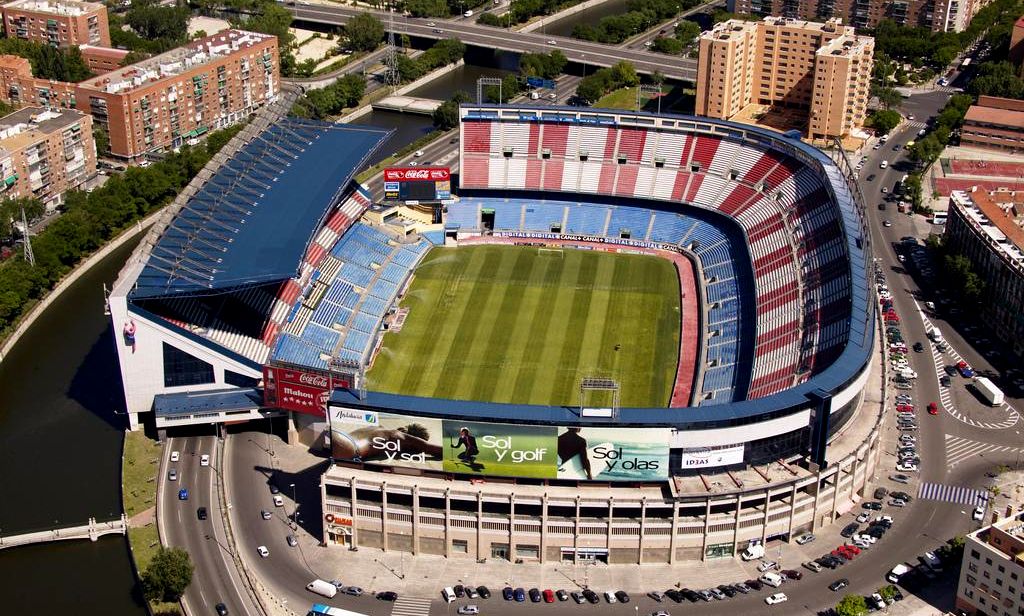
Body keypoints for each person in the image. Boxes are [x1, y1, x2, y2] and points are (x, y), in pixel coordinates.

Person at [332, 426, 442, 462]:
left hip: (341, 436)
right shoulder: (401, 436)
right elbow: (432, 449)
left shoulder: (379, 427)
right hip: (348, 447)